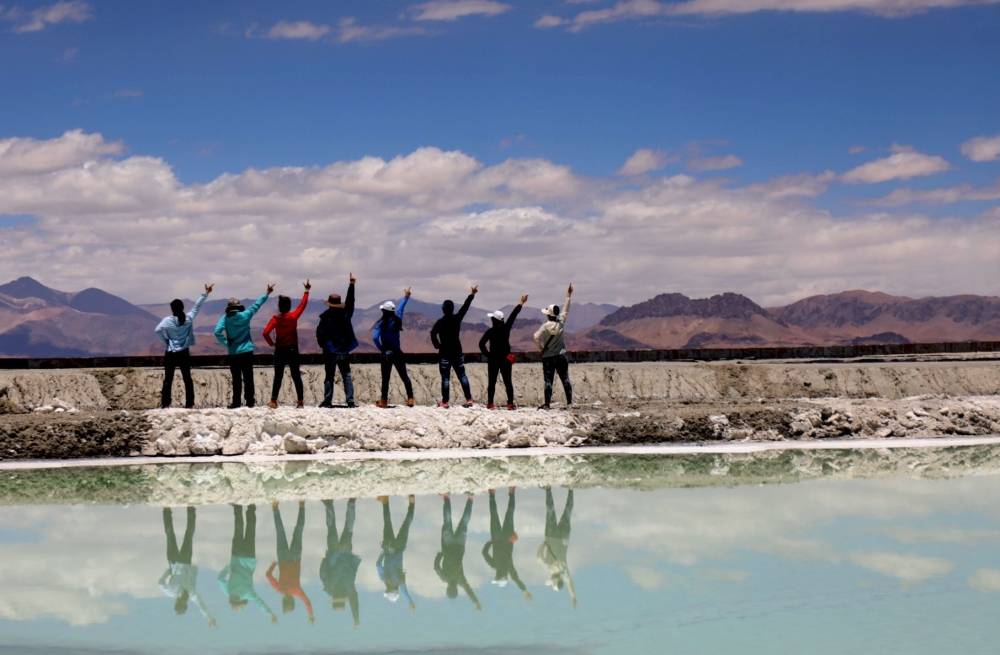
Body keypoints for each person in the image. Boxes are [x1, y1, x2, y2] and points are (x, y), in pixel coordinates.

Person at [214, 284, 274, 409]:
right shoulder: (246, 315)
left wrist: (226, 343)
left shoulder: (225, 318)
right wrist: (267, 293)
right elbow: (257, 304)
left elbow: (217, 331)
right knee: (248, 378)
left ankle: (236, 402)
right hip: (247, 351)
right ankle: (250, 401)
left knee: (236, 379)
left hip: (233, 353)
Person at [155, 284, 213, 409]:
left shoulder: (167, 321)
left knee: (168, 378)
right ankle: (189, 403)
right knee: (187, 377)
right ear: (182, 307)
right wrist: (206, 293)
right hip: (184, 352)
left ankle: (166, 403)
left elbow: (158, 330)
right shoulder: (188, 318)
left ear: (172, 309)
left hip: (171, 352)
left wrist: (166, 341)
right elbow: (197, 307)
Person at [218, 504, 277, 623]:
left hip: (249, 559)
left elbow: (260, 603)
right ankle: (238, 508)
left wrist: (270, 614)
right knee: (238, 531)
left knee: (250, 532)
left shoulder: (248, 594)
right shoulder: (228, 592)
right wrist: (229, 567)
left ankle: (251, 508)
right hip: (236, 556)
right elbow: (220, 579)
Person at [158, 507, 216, 626]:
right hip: (174, 561)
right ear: (175, 603)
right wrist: (169, 571)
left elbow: (201, 605)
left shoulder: (191, 593)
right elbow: (160, 583)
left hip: (184, 561)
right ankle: (167, 510)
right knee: (170, 534)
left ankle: (191, 509)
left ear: (185, 604)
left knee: (188, 535)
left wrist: (209, 618)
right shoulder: (171, 592)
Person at [263, 281, 311, 409]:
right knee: (296, 375)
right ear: (289, 306)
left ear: (279, 307)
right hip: (292, 350)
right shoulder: (293, 317)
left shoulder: (275, 319)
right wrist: (306, 291)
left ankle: (273, 401)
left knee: (278, 375)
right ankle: (300, 401)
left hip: (279, 350)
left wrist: (271, 343)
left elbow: (265, 332)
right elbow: (302, 305)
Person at [430, 286, 478, 408]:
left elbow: (432, 333)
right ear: (452, 309)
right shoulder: (457, 319)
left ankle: (445, 402)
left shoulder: (440, 322)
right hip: (457, 351)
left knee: (445, 378)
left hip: (444, 352)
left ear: (443, 310)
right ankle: (469, 399)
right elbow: (465, 307)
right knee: (462, 375)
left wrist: (437, 345)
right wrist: (472, 294)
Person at [479, 293, 528, 410]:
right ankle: (510, 404)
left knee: (492, 382)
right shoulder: (506, 329)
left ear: (494, 320)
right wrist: (521, 303)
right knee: (508, 382)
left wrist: (488, 355)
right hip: (506, 359)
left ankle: (490, 403)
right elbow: (513, 315)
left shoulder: (490, 331)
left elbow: (481, 344)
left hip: (493, 360)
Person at [266, 501, 314, 623]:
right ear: (283, 601)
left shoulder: (297, 591)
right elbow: (268, 575)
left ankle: (302, 505)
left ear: (292, 601)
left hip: (295, 558)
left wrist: (311, 616)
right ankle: (275, 507)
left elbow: (307, 603)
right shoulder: (279, 589)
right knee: (280, 531)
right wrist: (274, 564)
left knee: (298, 531)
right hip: (282, 557)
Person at [316, 273, 358, 408]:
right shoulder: (345, 315)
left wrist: (323, 345)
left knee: (329, 375)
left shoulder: (325, 317)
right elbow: (351, 302)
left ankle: (328, 400)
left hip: (330, 350)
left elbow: (319, 333)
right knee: (346, 374)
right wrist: (351, 285)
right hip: (344, 349)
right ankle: (350, 400)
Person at [482, 488, 531, 601]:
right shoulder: (494, 565)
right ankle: (492, 493)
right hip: (496, 537)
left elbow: (516, 578)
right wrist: (491, 542)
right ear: (499, 576)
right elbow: (484, 553)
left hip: (508, 538)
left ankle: (512, 492)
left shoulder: (509, 569)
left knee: (510, 513)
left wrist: (524, 590)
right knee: (494, 514)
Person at [434, 493, 480, 610]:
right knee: (447, 521)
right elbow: (436, 567)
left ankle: (470, 498)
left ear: (456, 590)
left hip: (459, 544)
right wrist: (440, 555)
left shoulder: (461, 580)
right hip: (448, 544)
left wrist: (476, 602)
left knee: (464, 522)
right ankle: (446, 497)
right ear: (448, 589)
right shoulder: (444, 578)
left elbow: (469, 590)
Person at [320, 499, 361, 628]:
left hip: (346, 551)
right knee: (331, 528)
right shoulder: (328, 587)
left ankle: (351, 503)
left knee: (348, 529)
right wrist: (325, 560)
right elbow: (322, 572)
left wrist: (356, 619)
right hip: (333, 552)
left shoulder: (349, 590)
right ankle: (329, 505)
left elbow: (355, 603)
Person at [533, 284, 574, 410]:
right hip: (561, 355)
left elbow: (535, 337)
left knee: (548, 380)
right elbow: (566, 309)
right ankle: (569, 403)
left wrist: (541, 348)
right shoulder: (561, 321)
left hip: (548, 356)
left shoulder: (545, 326)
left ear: (548, 314)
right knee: (565, 378)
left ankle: (547, 404)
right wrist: (568, 295)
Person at [372, 288, 415, 408]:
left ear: (384, 311)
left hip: (386, 353)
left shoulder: (380, 323)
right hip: (398, 352)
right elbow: (401, 307)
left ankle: (384, 401)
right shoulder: (397, 319)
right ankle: (410, 398)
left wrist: (381, 348)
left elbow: (375, 338)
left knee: (385, 378)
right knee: (404, 375)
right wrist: (406, 296)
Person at [537, 488, 577, 608]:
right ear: (554, 580)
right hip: (550, 536)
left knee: (567, 512)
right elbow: (539, 557)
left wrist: (573, 597)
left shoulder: (564, 570)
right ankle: (548, 489)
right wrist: (543, 545)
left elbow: (570, 584)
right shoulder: (549, 568)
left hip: (563, 537)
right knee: (550, 511)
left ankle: (571, 489)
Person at [376, 495, 416, 610]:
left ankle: (412, 502)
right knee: (387, 522)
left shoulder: (400, 581)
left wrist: (410, 601)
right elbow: (378, 565)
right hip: (389, 547)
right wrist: (384, 552)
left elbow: (405, 591)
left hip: (400, 548)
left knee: (406, 524)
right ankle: (385, 501)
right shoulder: (384, 578)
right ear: (388, 590)